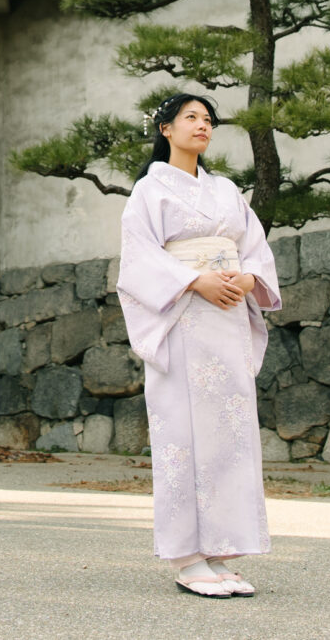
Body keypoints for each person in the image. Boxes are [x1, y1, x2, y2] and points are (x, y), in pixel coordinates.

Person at [117, 92, 282, 598]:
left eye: (208, 119)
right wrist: (194, 281)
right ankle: (187, 557)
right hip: (182, 318)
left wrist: (249, 279)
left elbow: (253, 247)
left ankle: (220, 550)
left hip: (228, 315)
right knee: (183, 434)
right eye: (190, 117)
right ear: (165, 128)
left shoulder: (227, 190)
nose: (202, 125)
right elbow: (138, 257)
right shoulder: (149, 190)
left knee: (229, 432)